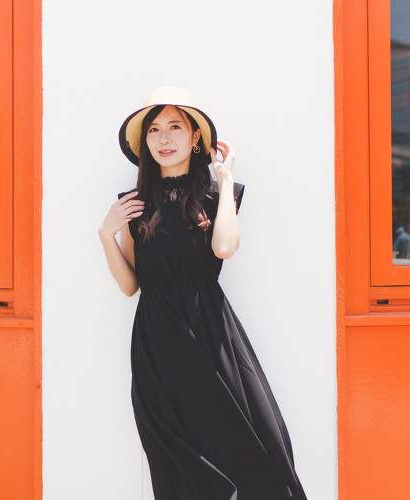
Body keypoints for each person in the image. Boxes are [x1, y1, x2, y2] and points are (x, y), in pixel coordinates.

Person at [98, 86, 308, 499]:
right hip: (157, 344)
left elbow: (224, 246)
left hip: (210, 336)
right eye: (154, 130)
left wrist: (225, 181)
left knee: (248, 443)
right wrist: (106, 234)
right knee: (177, 465)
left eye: (175, 127)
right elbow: (129, 285)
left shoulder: (214, 196)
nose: (164, 138)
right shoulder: (134, 204)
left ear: (196, 137)